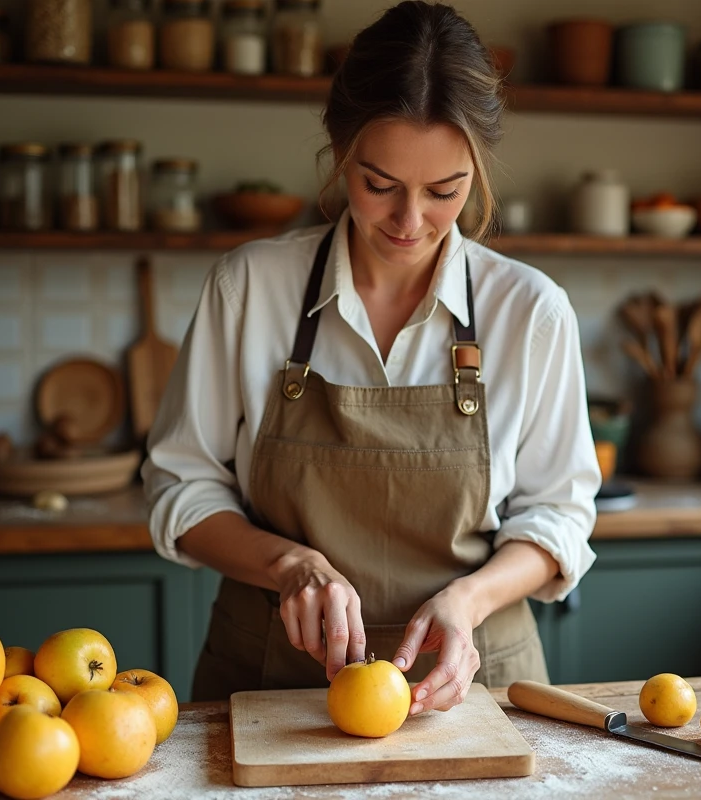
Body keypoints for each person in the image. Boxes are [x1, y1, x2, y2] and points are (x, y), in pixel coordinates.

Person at [143, 0, 599, 715]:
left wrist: (470, 599)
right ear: (339, 148)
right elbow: (181, 487)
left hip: (477, 689)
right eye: (378, 185)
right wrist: (289, 565)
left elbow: (558, 515)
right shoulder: (251, 287)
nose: (409, 222)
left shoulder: (531, 311)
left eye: (444, 192)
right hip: (272, 685)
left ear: (477, 174)